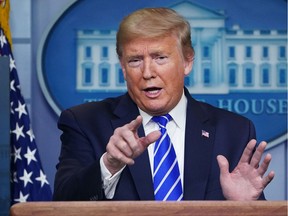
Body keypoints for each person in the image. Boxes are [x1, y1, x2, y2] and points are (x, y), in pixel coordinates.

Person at [53, 7, 274, 201]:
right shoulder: (85, 122)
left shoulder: (234, 131)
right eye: (135, 60)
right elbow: (61, 204)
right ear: (123, 67)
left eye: (160, 58)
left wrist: (243, 208)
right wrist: (109, 164)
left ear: (187, 62)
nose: (148, 73)